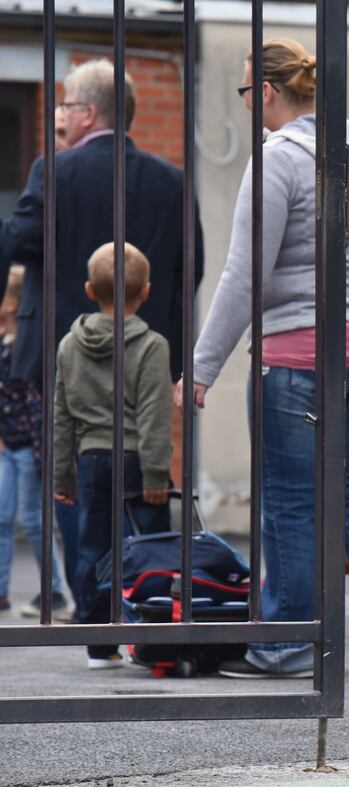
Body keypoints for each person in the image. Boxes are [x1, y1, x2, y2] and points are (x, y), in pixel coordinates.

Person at [182, 39, 349, 679]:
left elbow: (247, 275)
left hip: (298, 358)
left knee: (291, 501)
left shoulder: (278, 160)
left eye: (246, 92)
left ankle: (287, 642)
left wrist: (202, 367)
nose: (246, 103)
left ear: (266, 92)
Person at [0, 58, 203, 607]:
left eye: (65, 105)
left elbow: (16, 243)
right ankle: (144, 595)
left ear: (88, 113)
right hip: (146, 353)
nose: (60, 115)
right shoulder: (173, 181)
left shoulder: (53, 171)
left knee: (71, 479)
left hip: (63, 356)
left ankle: (94, 607)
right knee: (145, 470)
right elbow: (192, 270)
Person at [53, 242, 171, 669]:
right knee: (150, 548)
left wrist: (62, 477)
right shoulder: (151, 345)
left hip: (91, 459)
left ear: (89, 290)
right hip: (138, 459)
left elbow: (61, 416)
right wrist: (156, 473)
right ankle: (151, 637)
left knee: (92, 549)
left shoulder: (70, 345)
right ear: (146, 292)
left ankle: (98, 644)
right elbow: (155, 414)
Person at [0, 266, 71, 619]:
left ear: (12, 304)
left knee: (32, 519)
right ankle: (1, 591)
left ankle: (54, 590)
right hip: (8, 447)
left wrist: (42, 454)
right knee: (2, 516)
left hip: (29, 448)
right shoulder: (3, 346)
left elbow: (37, 407)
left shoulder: (28, 348)